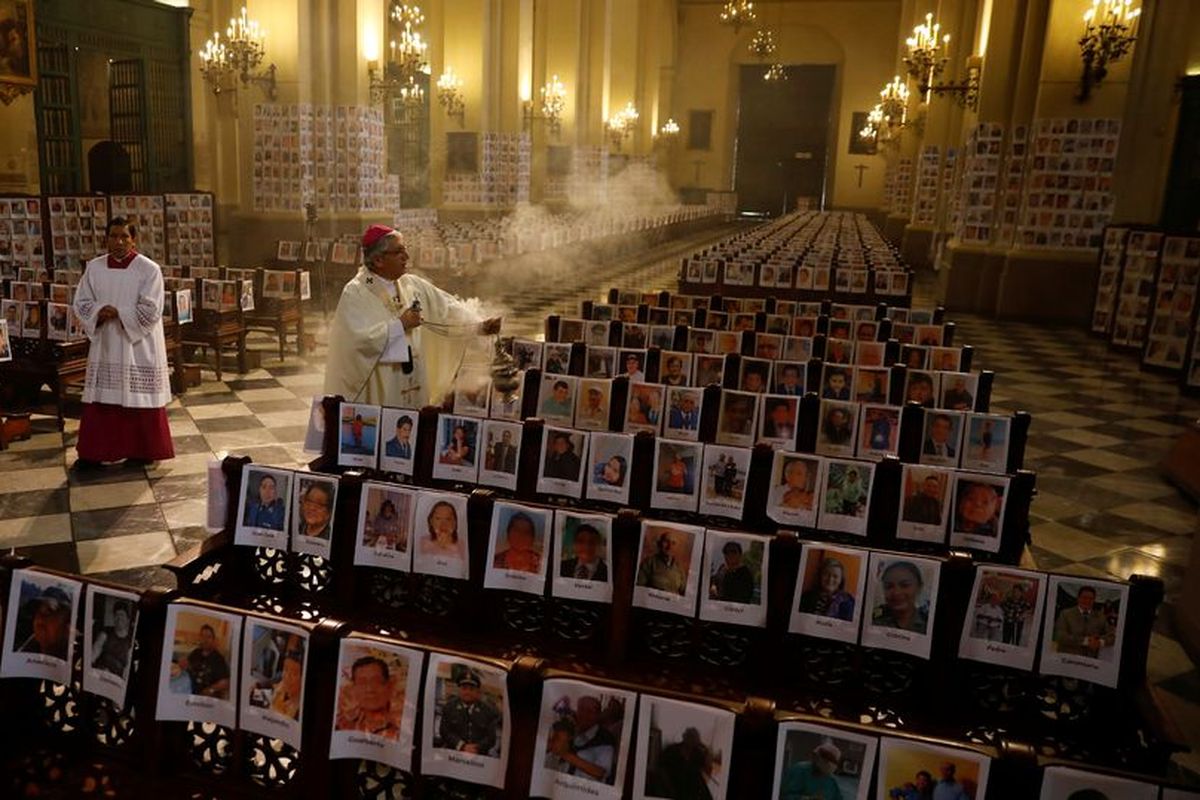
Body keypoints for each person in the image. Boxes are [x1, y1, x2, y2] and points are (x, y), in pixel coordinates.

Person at [324, 224, 501, 407]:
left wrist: (479, 325)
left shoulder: (411, 284)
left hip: (415, 377)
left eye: (405, 249)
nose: (407, 257)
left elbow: (446, 307)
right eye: (399, 252)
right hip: (382, 387)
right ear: (378, 260)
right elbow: (355, 343)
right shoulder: (356, 293)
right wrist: (400, 325)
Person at [73, 218, 174, 468]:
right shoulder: (94, 268)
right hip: (106, 343)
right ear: (106, 239)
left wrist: (118, 312)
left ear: (134, 240)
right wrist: (98, 311)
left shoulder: (148, 269)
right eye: (113, 236)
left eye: (124, 237)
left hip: (137, 344)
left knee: (137, 398)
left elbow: (152, 309)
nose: (118, 242)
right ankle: (94, 452)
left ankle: (141, 450)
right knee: (102, 399)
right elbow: (82, 302)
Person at [549, 695, 616, 783]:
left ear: (598, 715)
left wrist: (564, 754)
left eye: (589, 711)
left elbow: (601, 773)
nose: (584, 714)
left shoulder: (605, 738)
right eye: (581, 709)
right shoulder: (570, 728)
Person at [438, 668, 501, 755]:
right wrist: (462, 746)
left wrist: (477, 748)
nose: (467, 692)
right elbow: (444, 731)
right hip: (453, 754)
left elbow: (491, 738)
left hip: (479, 756)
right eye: (464, 688)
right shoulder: (449, 707)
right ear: (459, 690)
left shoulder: (488, 710)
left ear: (477, 691)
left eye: (471, 689)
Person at [335, 655, 400, 737]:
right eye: (362, 683)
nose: (369, 689)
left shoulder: (403, 728)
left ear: (389, 686)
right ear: (354, 687)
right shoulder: (341, 723)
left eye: (376, 681)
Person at [647, 726, 713, 800]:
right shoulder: (671, 750)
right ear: (684, 737)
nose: (692, 741)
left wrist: (706, 751)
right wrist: (668, 789)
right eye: (690, 737)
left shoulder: (697, 754)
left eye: (694, 738)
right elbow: (661, 770)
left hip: (690, 791)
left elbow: (707, 771)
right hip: (672, 787)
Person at [1053, 585, 1114, 658]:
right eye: (1084, 598)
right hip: (1067, 660)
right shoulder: (1065, 614)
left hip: (1092, 663)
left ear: (1094, 600)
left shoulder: (1101, 617)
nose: (1087, 601)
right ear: (1078, 598)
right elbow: (1060, 636)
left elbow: (1112, 637)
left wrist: (1100, 642)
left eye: (1091, 599)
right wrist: (1086, 641)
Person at [873, 561, 928, 633]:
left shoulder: (928, 622)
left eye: (905, 585)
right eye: (889, 586)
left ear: (919, 587)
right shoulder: (873, 619)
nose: (896, 592)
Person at [17, 586, 72, 658]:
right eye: (37, 612)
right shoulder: (28, 649)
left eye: (48, 612)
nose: (39, 620)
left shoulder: (79, 660)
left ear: (67, 623)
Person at [779, 740, 844, 800]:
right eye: (825, 761)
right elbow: (783, 795)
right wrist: (807, 798)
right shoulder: (800, 770)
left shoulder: (831, 781)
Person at [182, 624, 231, 699]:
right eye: (203, 636)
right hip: (187, 689)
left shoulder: (218, 658)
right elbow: (187, 665)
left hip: (203, 696)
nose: (205, 640)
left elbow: (225, 682)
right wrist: (184, 664)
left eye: (208, 637)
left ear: (213, 639)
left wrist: (211, 689)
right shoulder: (196, 652)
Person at [91, 599, 135, 675]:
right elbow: (94, 654)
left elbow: (128, 666)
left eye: (122, 615)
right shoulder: (105, 633)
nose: (119, 618)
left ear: (128, 619)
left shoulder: (131, 639)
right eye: (116, 615)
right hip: (100, 673)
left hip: (118, 679)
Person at [269, 637, 304, 720]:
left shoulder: (299, 710)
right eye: (286, 669)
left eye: (294, 673)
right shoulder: (280, 686)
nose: (287, 677)